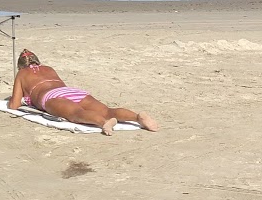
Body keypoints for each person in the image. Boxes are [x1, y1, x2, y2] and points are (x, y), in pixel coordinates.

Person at [8, 49, 158, 135]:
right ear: (37, 61)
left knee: (76, 114)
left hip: (51, 96)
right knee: (106, 110)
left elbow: (14, 105)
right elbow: (61, 86)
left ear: (20, 67)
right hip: (71, 91)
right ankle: (137, 117)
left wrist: (18, 100)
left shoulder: (22, 74)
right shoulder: (49, 69)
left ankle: (103, 123)